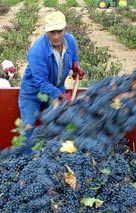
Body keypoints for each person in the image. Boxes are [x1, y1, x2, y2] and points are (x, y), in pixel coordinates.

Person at [18, 11, 85, 139]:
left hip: (56, 87)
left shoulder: (70, 40)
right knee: (27, 128)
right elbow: (41, 83)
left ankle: (52, 153)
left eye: (59, 32)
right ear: (46, 31)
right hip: (32, 93)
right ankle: (25, 155)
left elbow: (74, 58)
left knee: (59, 124)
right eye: (52, 32)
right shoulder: (37, 51)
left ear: (65, 29)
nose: (56, 36)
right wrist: (60, 95)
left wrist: (75, 66)